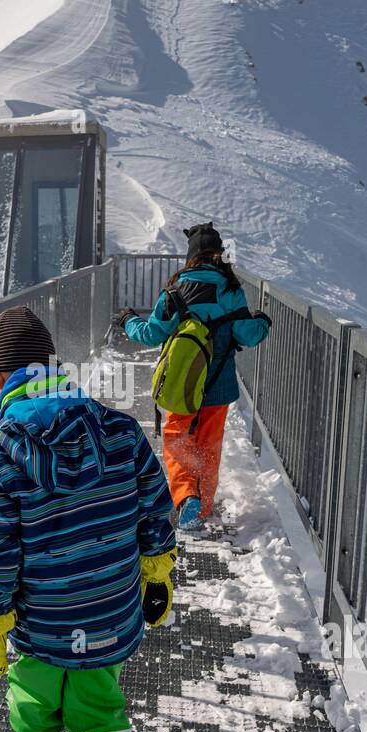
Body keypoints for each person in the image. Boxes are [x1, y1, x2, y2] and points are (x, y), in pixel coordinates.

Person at [0, 306, 177, 732]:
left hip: (40, 627)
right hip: (109, 617)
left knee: (33, 708)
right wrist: (157, 578)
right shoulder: (122, 432)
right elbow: (155, 510)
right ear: (52, 365)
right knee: (99, 716)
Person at [119, 222, 271, 531]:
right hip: (219, 386)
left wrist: (128, 320)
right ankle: (203, 506)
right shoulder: (231, 290)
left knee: (178, 440)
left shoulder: (175, 291)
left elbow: (151, 334)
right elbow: (247, 333)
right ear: (219, 256)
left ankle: (186, 496)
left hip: (182, 385)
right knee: (209, 444)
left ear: (191, 257)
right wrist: (263, 321)